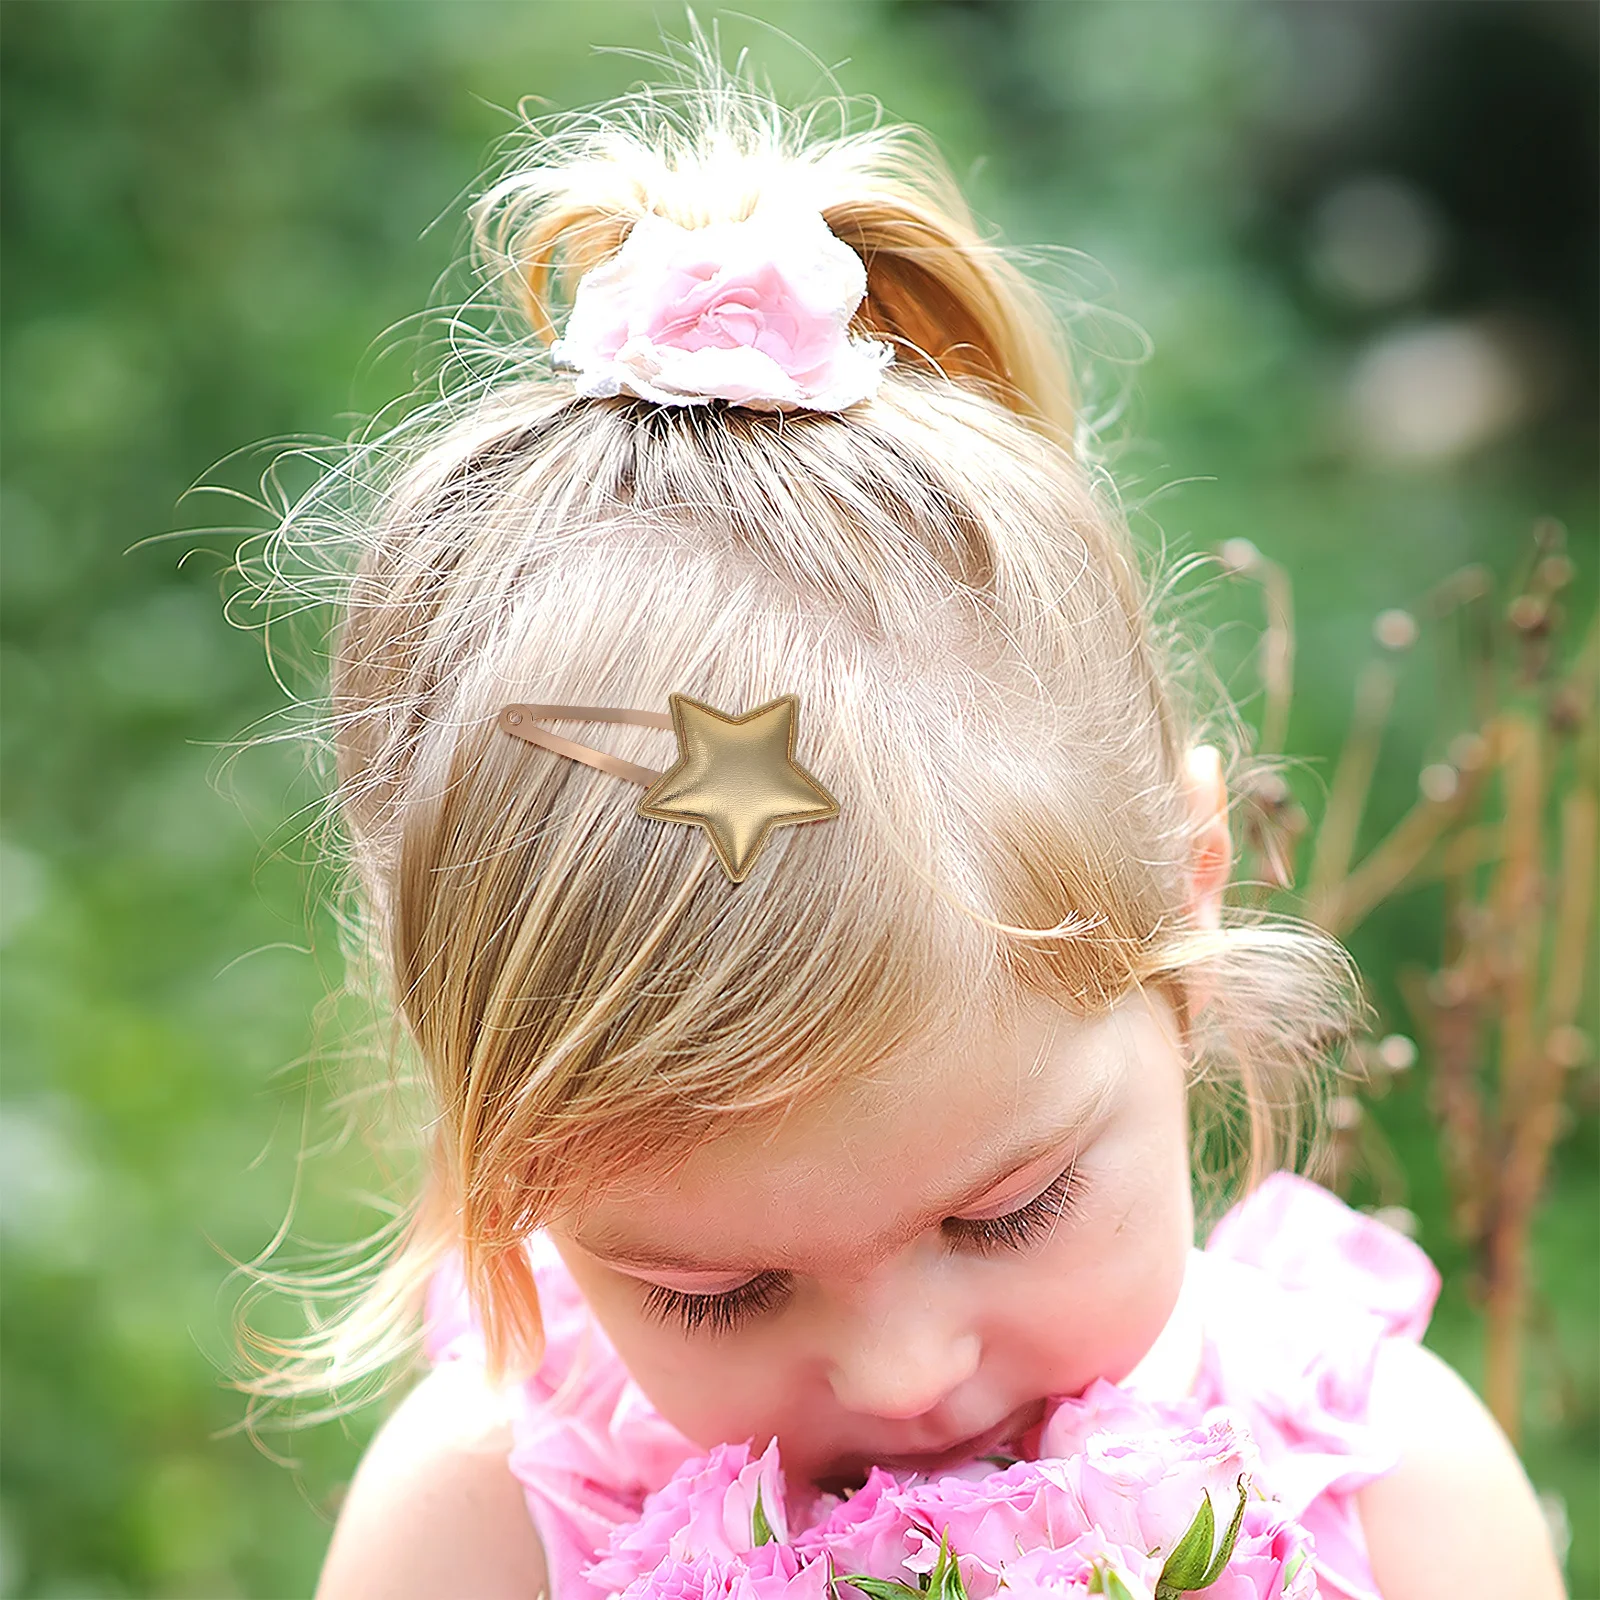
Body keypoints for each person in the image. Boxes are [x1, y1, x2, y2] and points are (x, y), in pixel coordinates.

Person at [255, 40, 1564, 1600]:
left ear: (1191, 891)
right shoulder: (487, 1531)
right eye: (717, 1291)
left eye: (1008, 1213)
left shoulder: (1387, 1496)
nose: (902, 1378)